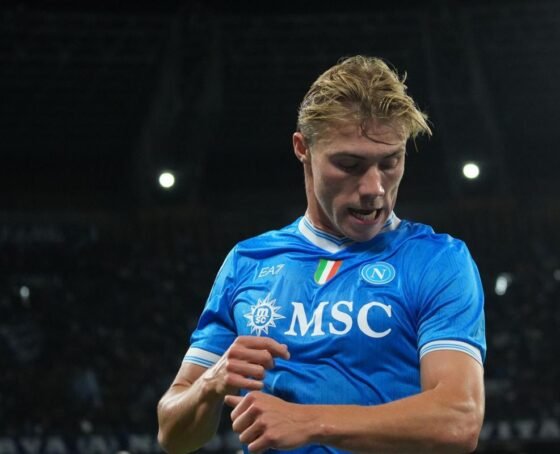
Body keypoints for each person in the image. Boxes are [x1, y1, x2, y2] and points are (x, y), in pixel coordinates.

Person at [157, 55, 486, 454]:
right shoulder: (248, 262)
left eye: (390, 162)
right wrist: (210, 384)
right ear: (303, 148)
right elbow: (172, 434)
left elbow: (458, 418)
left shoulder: (437, 261)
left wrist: (311, 422)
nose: (374, 188)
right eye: (349, 164)